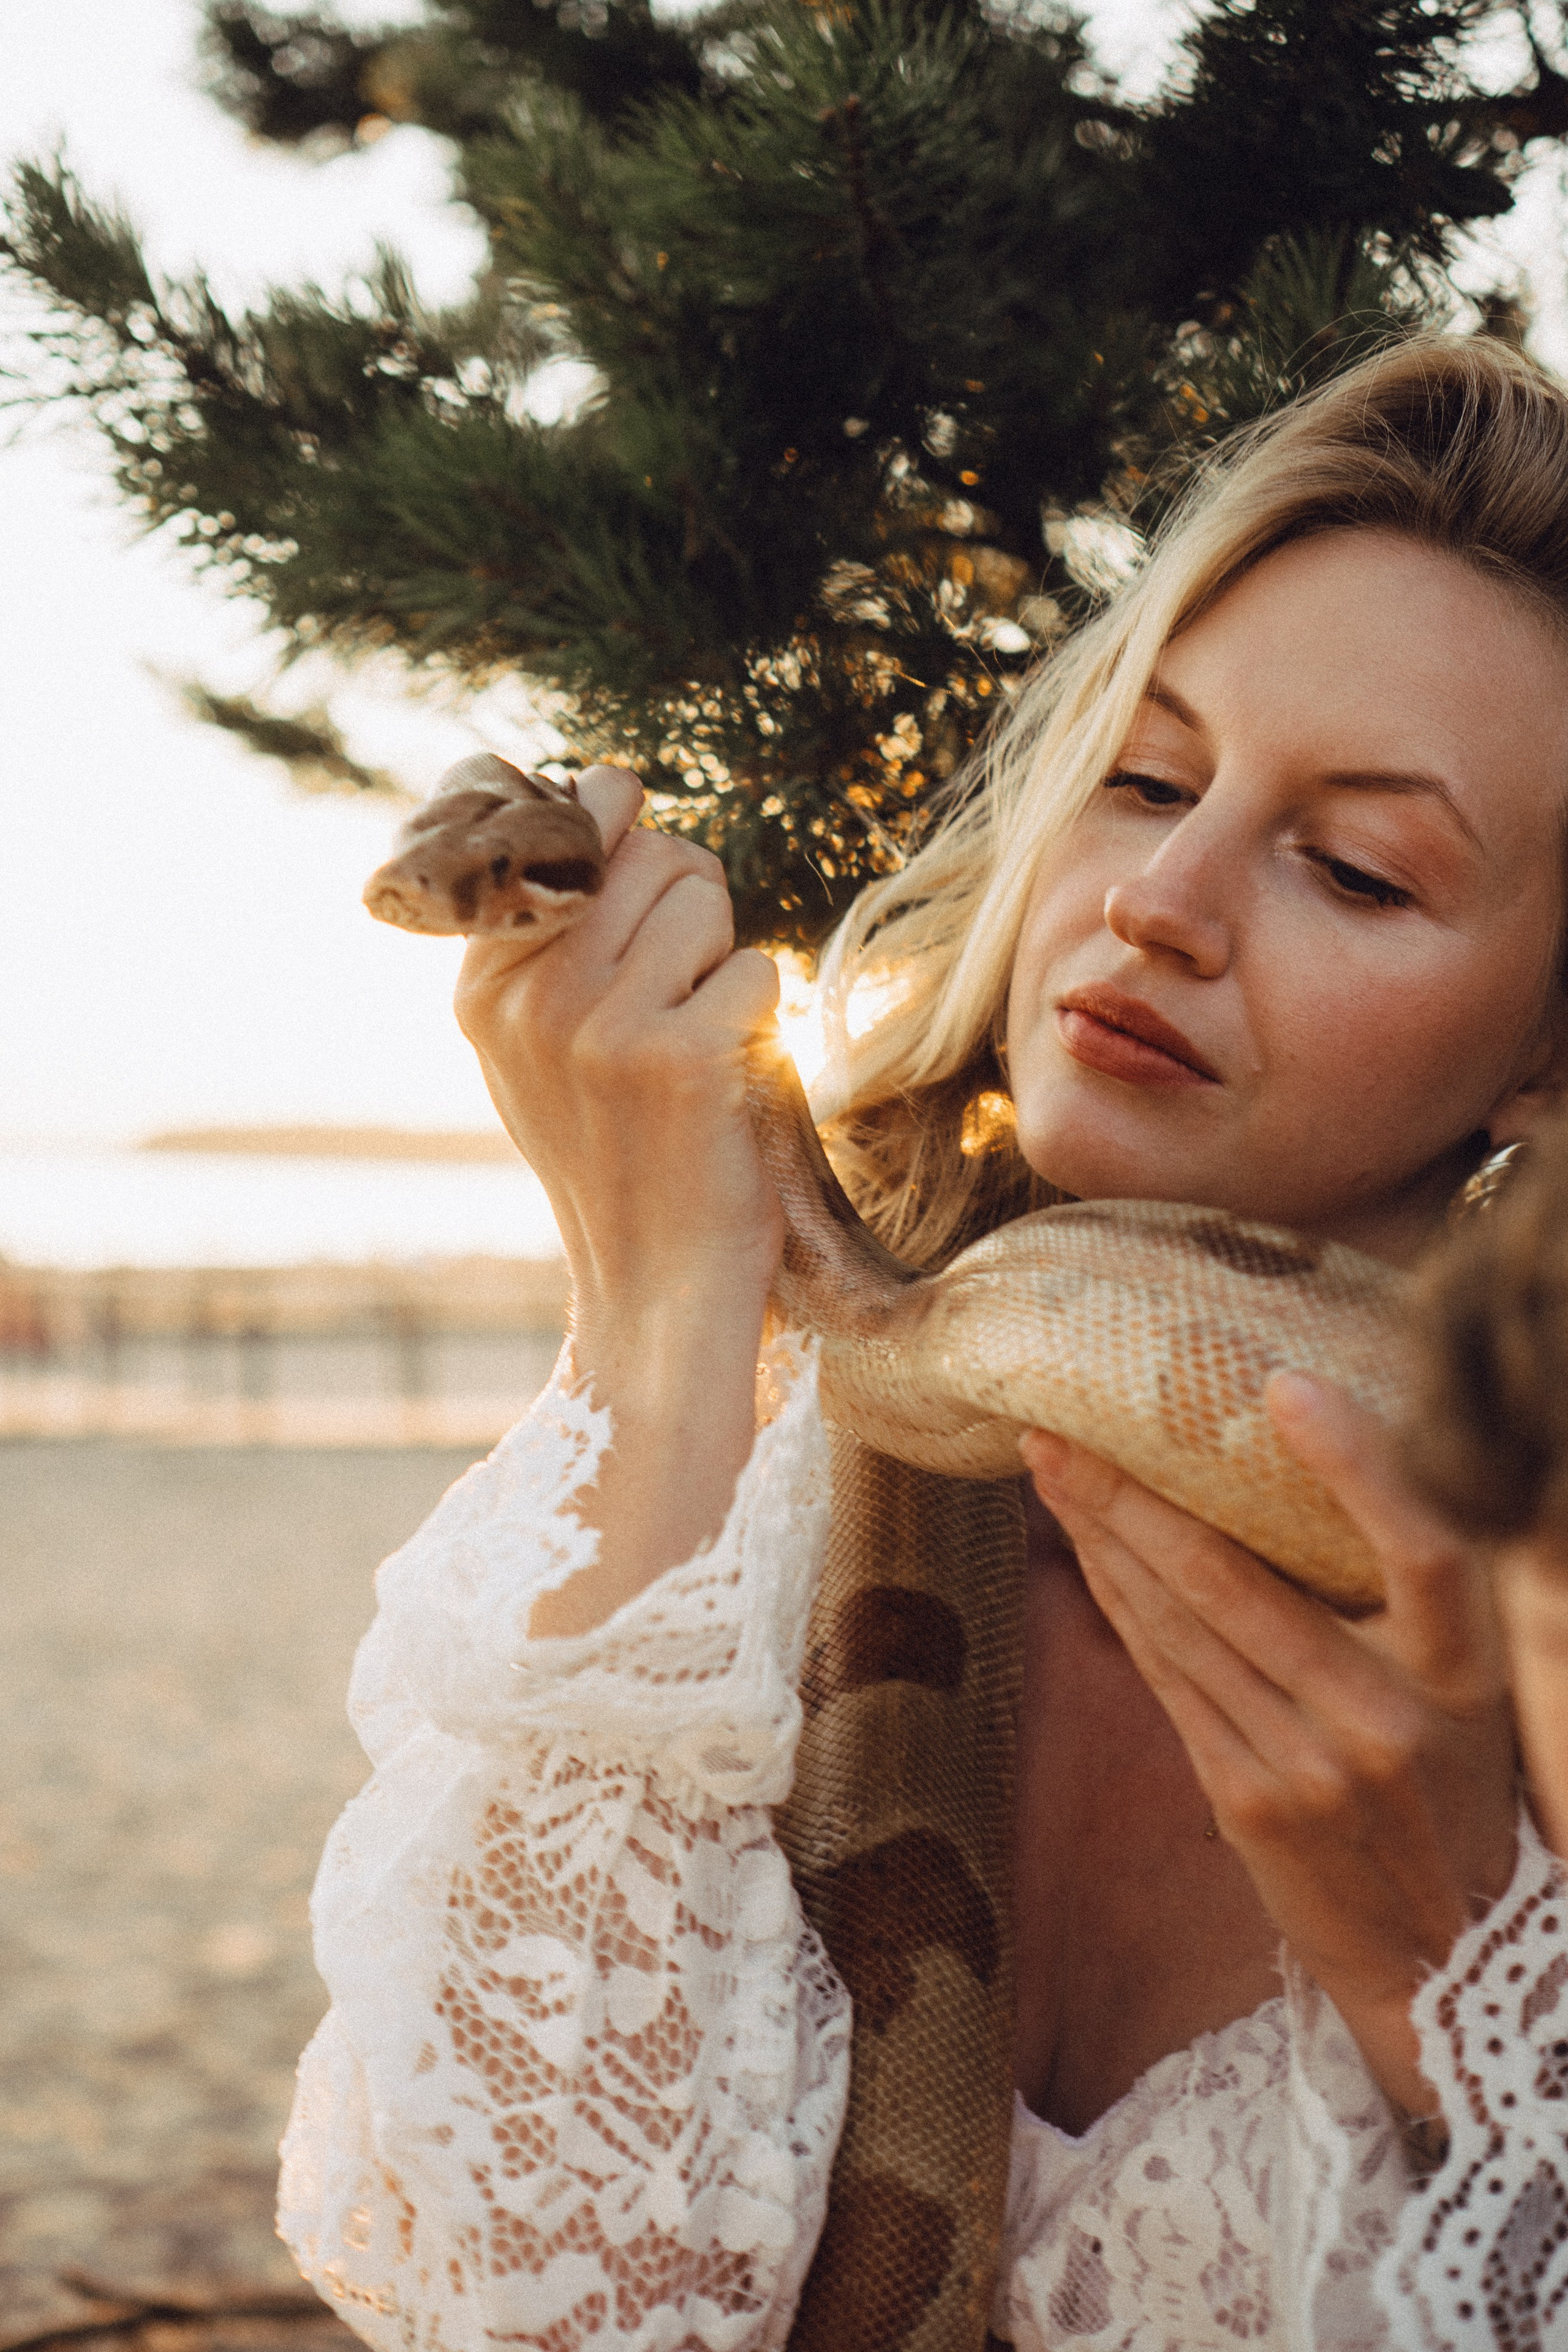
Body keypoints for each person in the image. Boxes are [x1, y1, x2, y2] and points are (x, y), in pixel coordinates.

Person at [277, 337, 1568, 2351]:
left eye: (1357, 867)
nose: (1159, 897)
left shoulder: (1540, 1605)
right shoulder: (751, 1510)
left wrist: (1461, 2006)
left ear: (1548, 1052)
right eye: (1141, 778)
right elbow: (538, 2303)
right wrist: (659, 1312)